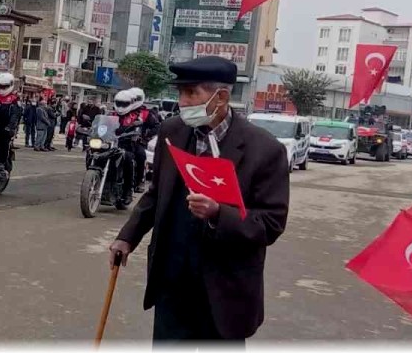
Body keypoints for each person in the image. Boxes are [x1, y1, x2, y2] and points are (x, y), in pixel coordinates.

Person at [108, 56, 289, 343]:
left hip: (224, 289)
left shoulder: (264, 149)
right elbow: (157, 193)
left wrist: (219, 213)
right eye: (180, 93)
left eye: (192, 93)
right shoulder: (172, 132)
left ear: (222, 97)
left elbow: (271, 223)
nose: (183, 102)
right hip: (173, 279)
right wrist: (127, 237)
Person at [113, 87, 159, 201]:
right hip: (116, 141)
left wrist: (145, 135)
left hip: (134, 143)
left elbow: (157, 126)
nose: (121, 106)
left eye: (125, 103)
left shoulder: (146, 113)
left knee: (136, 156)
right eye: (120, 103)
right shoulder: (117, 113)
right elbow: (106, 123)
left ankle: (131, 188)